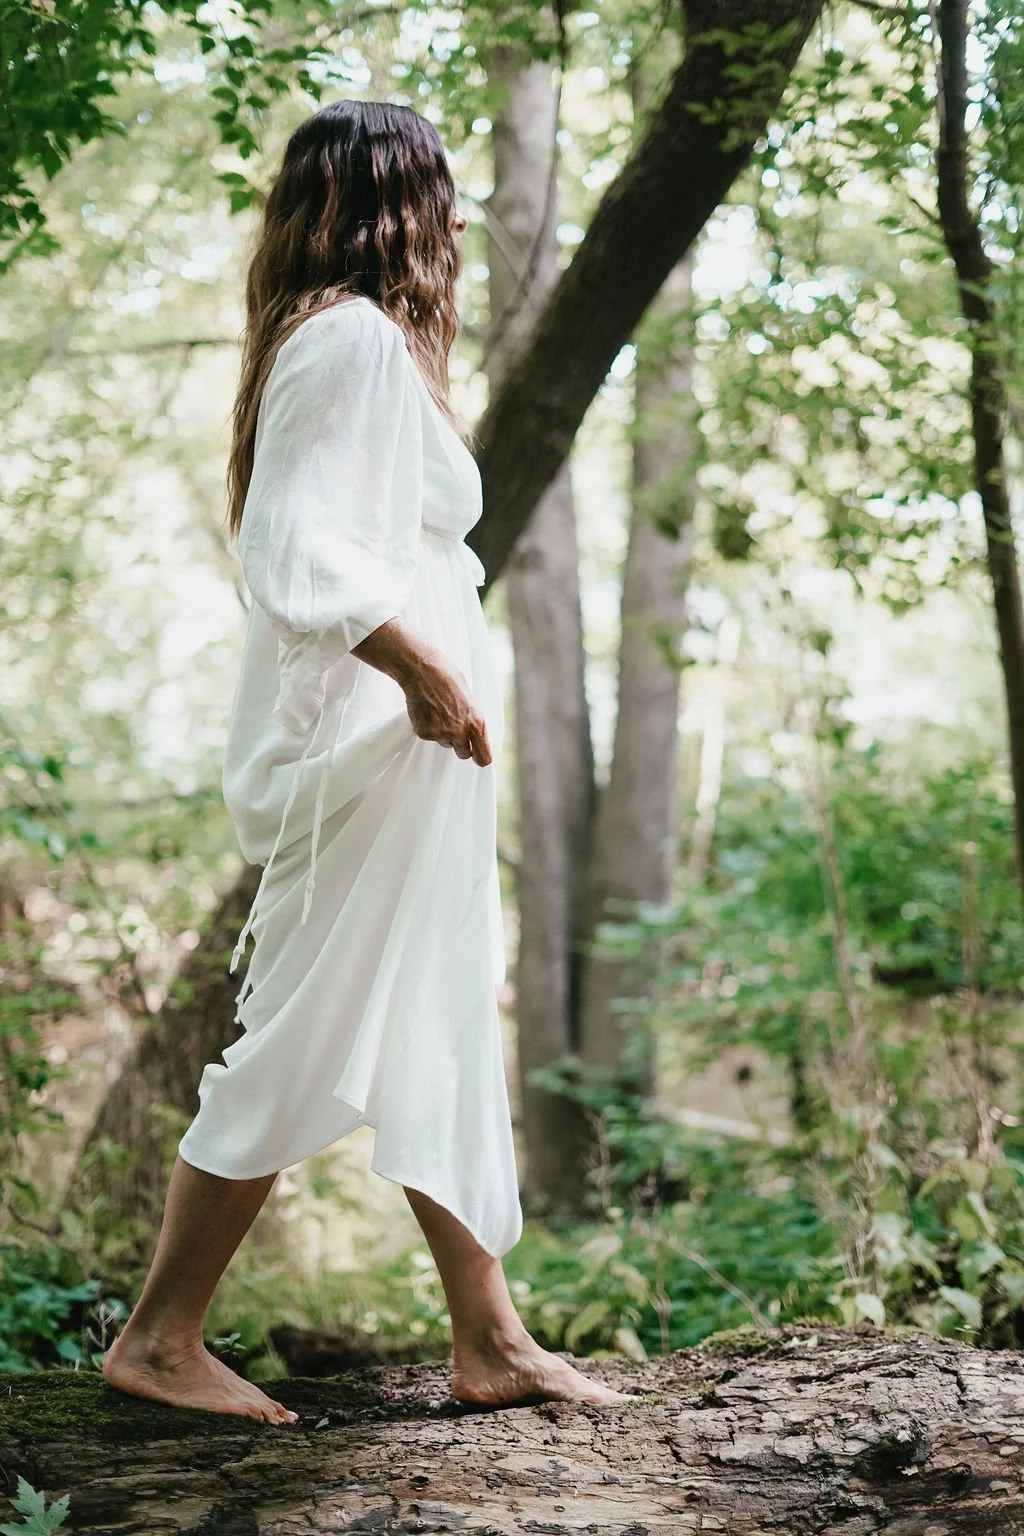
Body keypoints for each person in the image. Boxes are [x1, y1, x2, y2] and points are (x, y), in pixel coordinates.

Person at [102, 100, 633, 1423]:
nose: (461, 218)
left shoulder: (361, 345)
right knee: (303, 1032)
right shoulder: (347, 340)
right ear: (395, 203)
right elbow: (292, 550)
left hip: (407, 759)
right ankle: (160, 1339)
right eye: (442, 192)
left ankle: (490, 1339)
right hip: (370, 750)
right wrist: (432, 681)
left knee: (435, 1024)